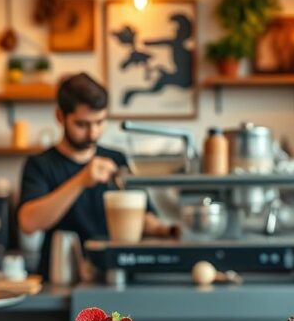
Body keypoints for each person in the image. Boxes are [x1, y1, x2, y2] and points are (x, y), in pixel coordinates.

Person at [17, 73, 177, 280]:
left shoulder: (116, 159)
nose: (93, 133)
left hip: (114, 274)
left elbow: (142, 216)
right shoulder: (40, 164)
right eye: (82, 124)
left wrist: (164, 230)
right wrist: (81, 180)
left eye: (99, 122)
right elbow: (28, 222)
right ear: (60, 116)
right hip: (62, 276)